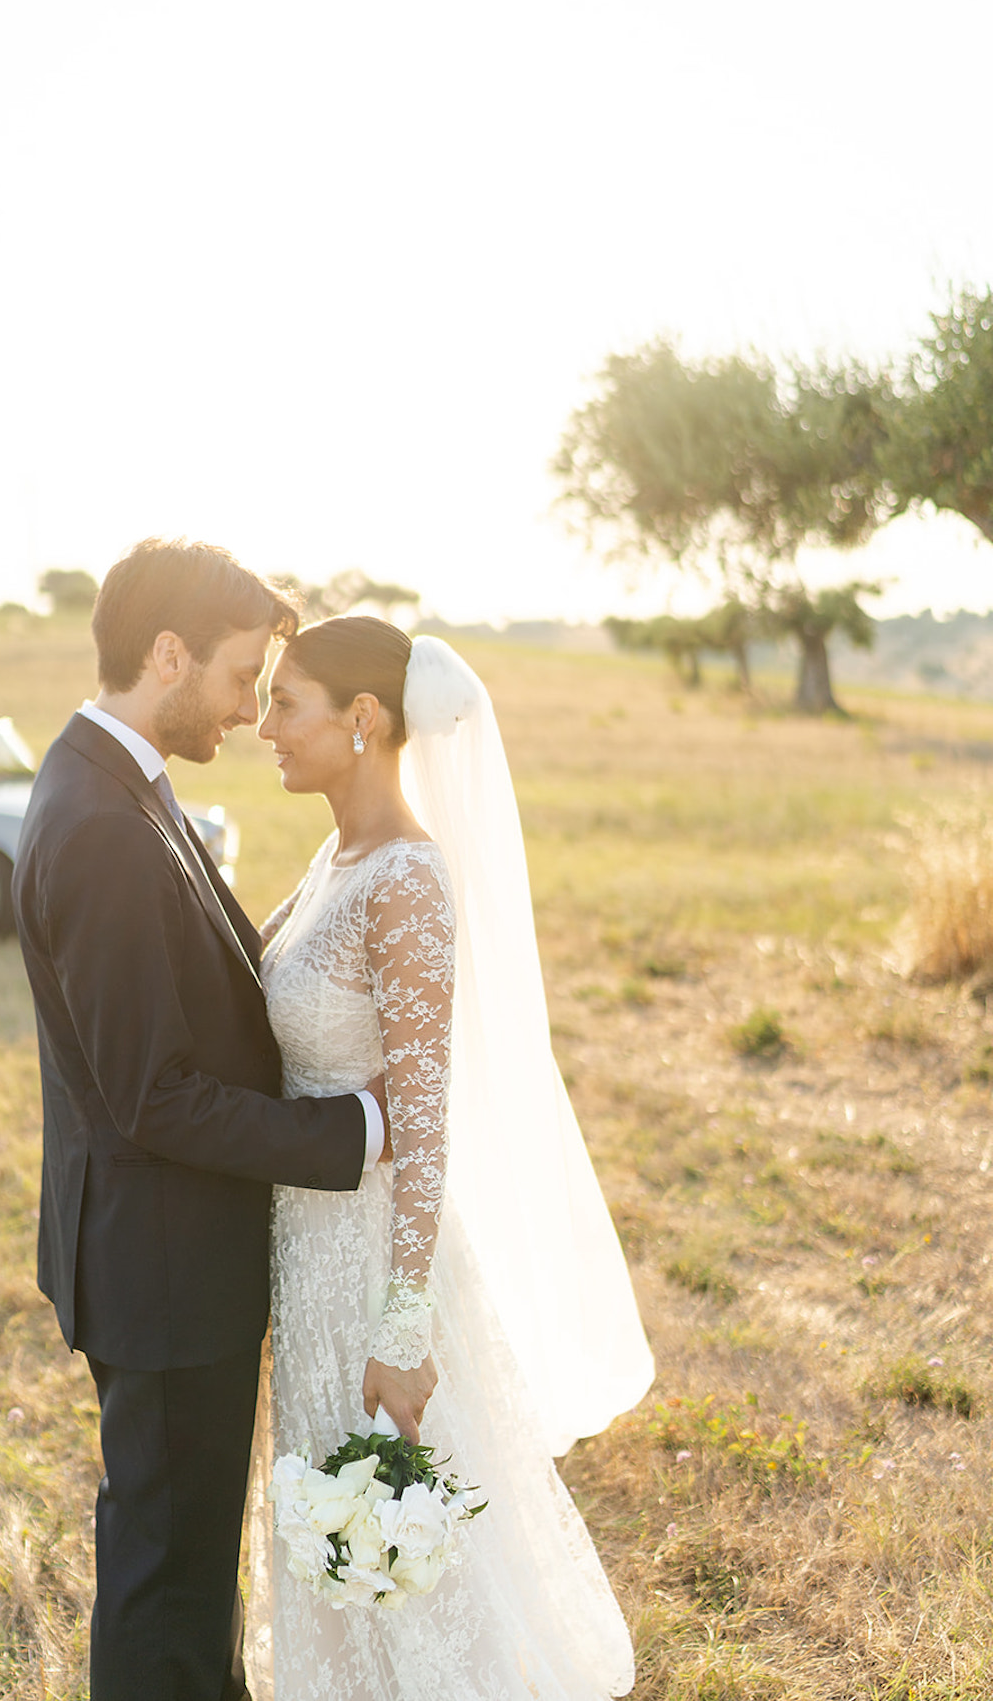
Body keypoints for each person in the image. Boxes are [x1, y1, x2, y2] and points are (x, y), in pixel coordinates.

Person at [245, 617, 655, 1701]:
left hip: (376, 1264)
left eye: (287, 703)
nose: (265, 726)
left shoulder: (408, 881)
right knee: (336, 1539)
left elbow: (427, 1124)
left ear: (363, 720)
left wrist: (404, 1325)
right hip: (306, 1251)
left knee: (399, 1533)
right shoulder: (334, 856)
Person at [11, 541, 389, 1701]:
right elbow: (153, 1092)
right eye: (237, 675)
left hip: (154, 1253)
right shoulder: (102, 825)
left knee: (178, 1562)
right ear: (166, 654)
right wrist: (350, 1132)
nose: (247, 707)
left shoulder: (113, 779)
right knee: (166, 1577)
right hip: (164, 1270)